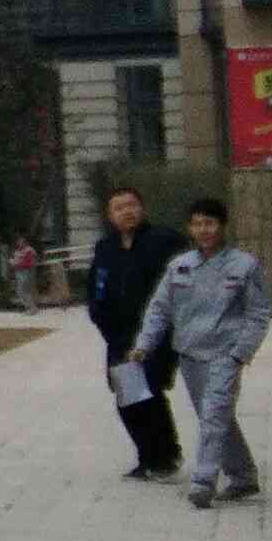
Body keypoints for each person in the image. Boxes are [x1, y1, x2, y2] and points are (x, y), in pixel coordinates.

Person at [134, 197, 271, 509]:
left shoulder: (244, 266)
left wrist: (241, 353)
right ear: (190, 228)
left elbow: (258, 314)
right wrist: (144, 345)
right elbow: (159, 310)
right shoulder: (179, 266)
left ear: (222, 226)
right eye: (197, 224)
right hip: (190, 357)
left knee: (214, 416)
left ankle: (203, 482)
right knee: (217, 418)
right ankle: (243, 477)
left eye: (210, 223)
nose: (204, 230)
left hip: (225, 355)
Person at [83, 187, 184, 482]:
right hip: (120, 337)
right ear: (110, 215)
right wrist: (100, 317)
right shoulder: (105, 248)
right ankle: (147, 458)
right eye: (119, 207)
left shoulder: (165, 241)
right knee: (129, 401)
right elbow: (95, 287)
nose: (127, 211)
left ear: (142, 208)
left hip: (156, 336)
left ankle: (166, 457)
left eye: (132, 205)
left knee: (150, 394)